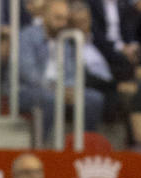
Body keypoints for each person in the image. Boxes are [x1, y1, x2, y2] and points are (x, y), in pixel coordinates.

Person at [17, 0, 105, 145]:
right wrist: (58, 90)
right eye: (58, 18)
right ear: (45, 16)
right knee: (50, 100)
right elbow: (27, 72)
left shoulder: (66, 39)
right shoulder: (27, 36)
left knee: (94, 99)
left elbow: (74, 71)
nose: (63, 24)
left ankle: (85, 144)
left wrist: (69, 89)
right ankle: (39, 146)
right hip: (28, 90)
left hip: (61, 89)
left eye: (65, 19)